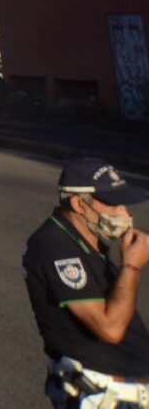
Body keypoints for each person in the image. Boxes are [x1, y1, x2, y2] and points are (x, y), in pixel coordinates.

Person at [25, 158, 149, 406]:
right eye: (113, 204)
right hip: (102, 395)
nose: (124, 213)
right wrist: (132, 265)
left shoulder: (90, 241)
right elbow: (110, 329)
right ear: (79, 204)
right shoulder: (56, 247)